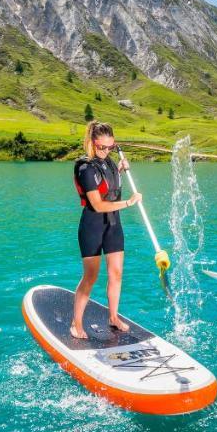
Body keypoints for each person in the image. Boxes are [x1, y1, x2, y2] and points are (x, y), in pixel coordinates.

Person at [71, 121, 142, 335]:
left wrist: (119, 169)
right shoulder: (84, 167)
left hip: (113, 226)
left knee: (116, 273)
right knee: (91, 276)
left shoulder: (110, 162)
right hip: (92, 226)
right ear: (93, 143)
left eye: (110, 147)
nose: (106, 151)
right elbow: (98, 204)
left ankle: (113, 318)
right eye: (102, 147)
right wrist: (129, 203)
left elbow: (109, 183)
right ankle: (76, 323)